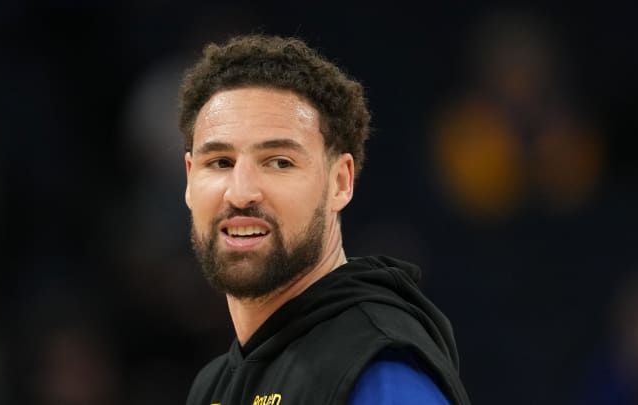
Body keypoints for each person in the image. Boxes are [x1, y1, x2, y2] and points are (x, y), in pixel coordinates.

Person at [178, 34, 471, 405]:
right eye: (220, 162)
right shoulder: (212, 386)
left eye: (279, 162)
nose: (240, 192)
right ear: (189, 179)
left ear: (341, 182)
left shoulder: (377, 370)